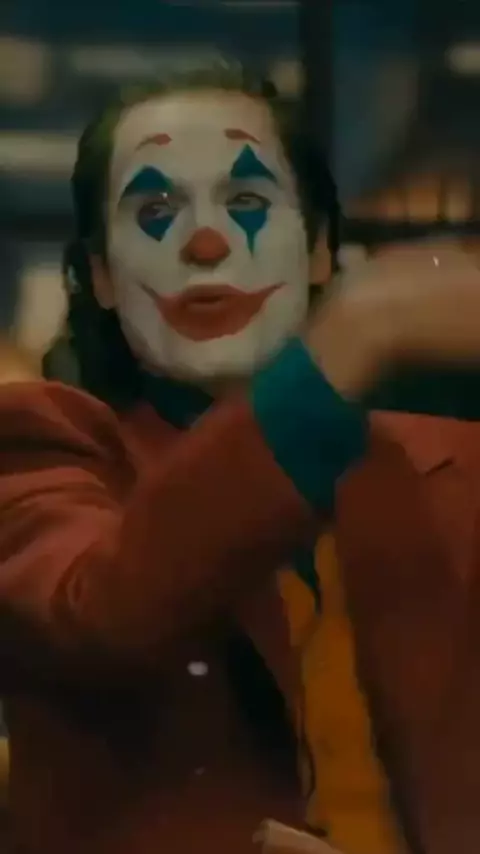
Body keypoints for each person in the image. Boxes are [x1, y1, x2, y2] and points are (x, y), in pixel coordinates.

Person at [1, 63, 480, 854]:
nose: (206, 242)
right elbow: (102, 613)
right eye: (156, 211)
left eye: (248, 203)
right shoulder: (43, 448)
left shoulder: (456, 469)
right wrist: (358, 332)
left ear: (320, 250)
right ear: (103, 278)